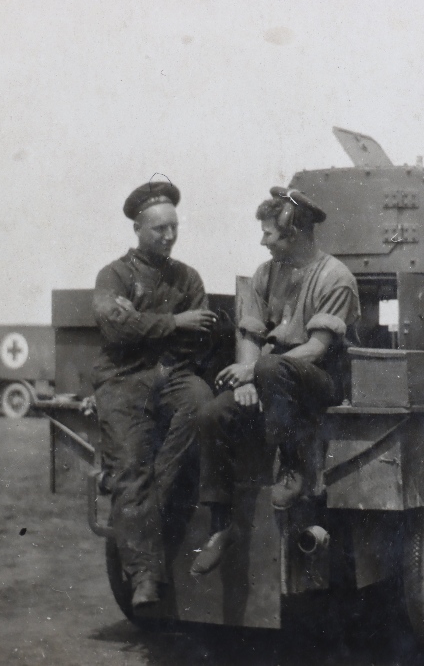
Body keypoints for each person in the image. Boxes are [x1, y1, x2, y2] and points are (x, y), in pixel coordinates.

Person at [190, 186, 360, 576]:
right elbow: (250, 333)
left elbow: (317, 349)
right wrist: (246, 381)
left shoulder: (336, 277)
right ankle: (220, 526)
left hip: (320, 381)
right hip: (270, 378)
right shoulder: (265, 274)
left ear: (294, 233)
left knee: (271, 367)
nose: (262, 240)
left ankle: (294, 470)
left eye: (268, 233)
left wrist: (254, 371)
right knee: (211, 416)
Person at [92, 180, 217, 607]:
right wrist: (174, 323)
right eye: (159, 229)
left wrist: (146, 323)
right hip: (123, 381)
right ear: (138, 230)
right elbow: (114, 327)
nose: (168, 236)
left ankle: (146, 513)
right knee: (129, 466)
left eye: (174, 228)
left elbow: (198, 337)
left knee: (201, 403)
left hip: (173, 376)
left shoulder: (188, 277)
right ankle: (144, 576)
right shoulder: (114, 276)